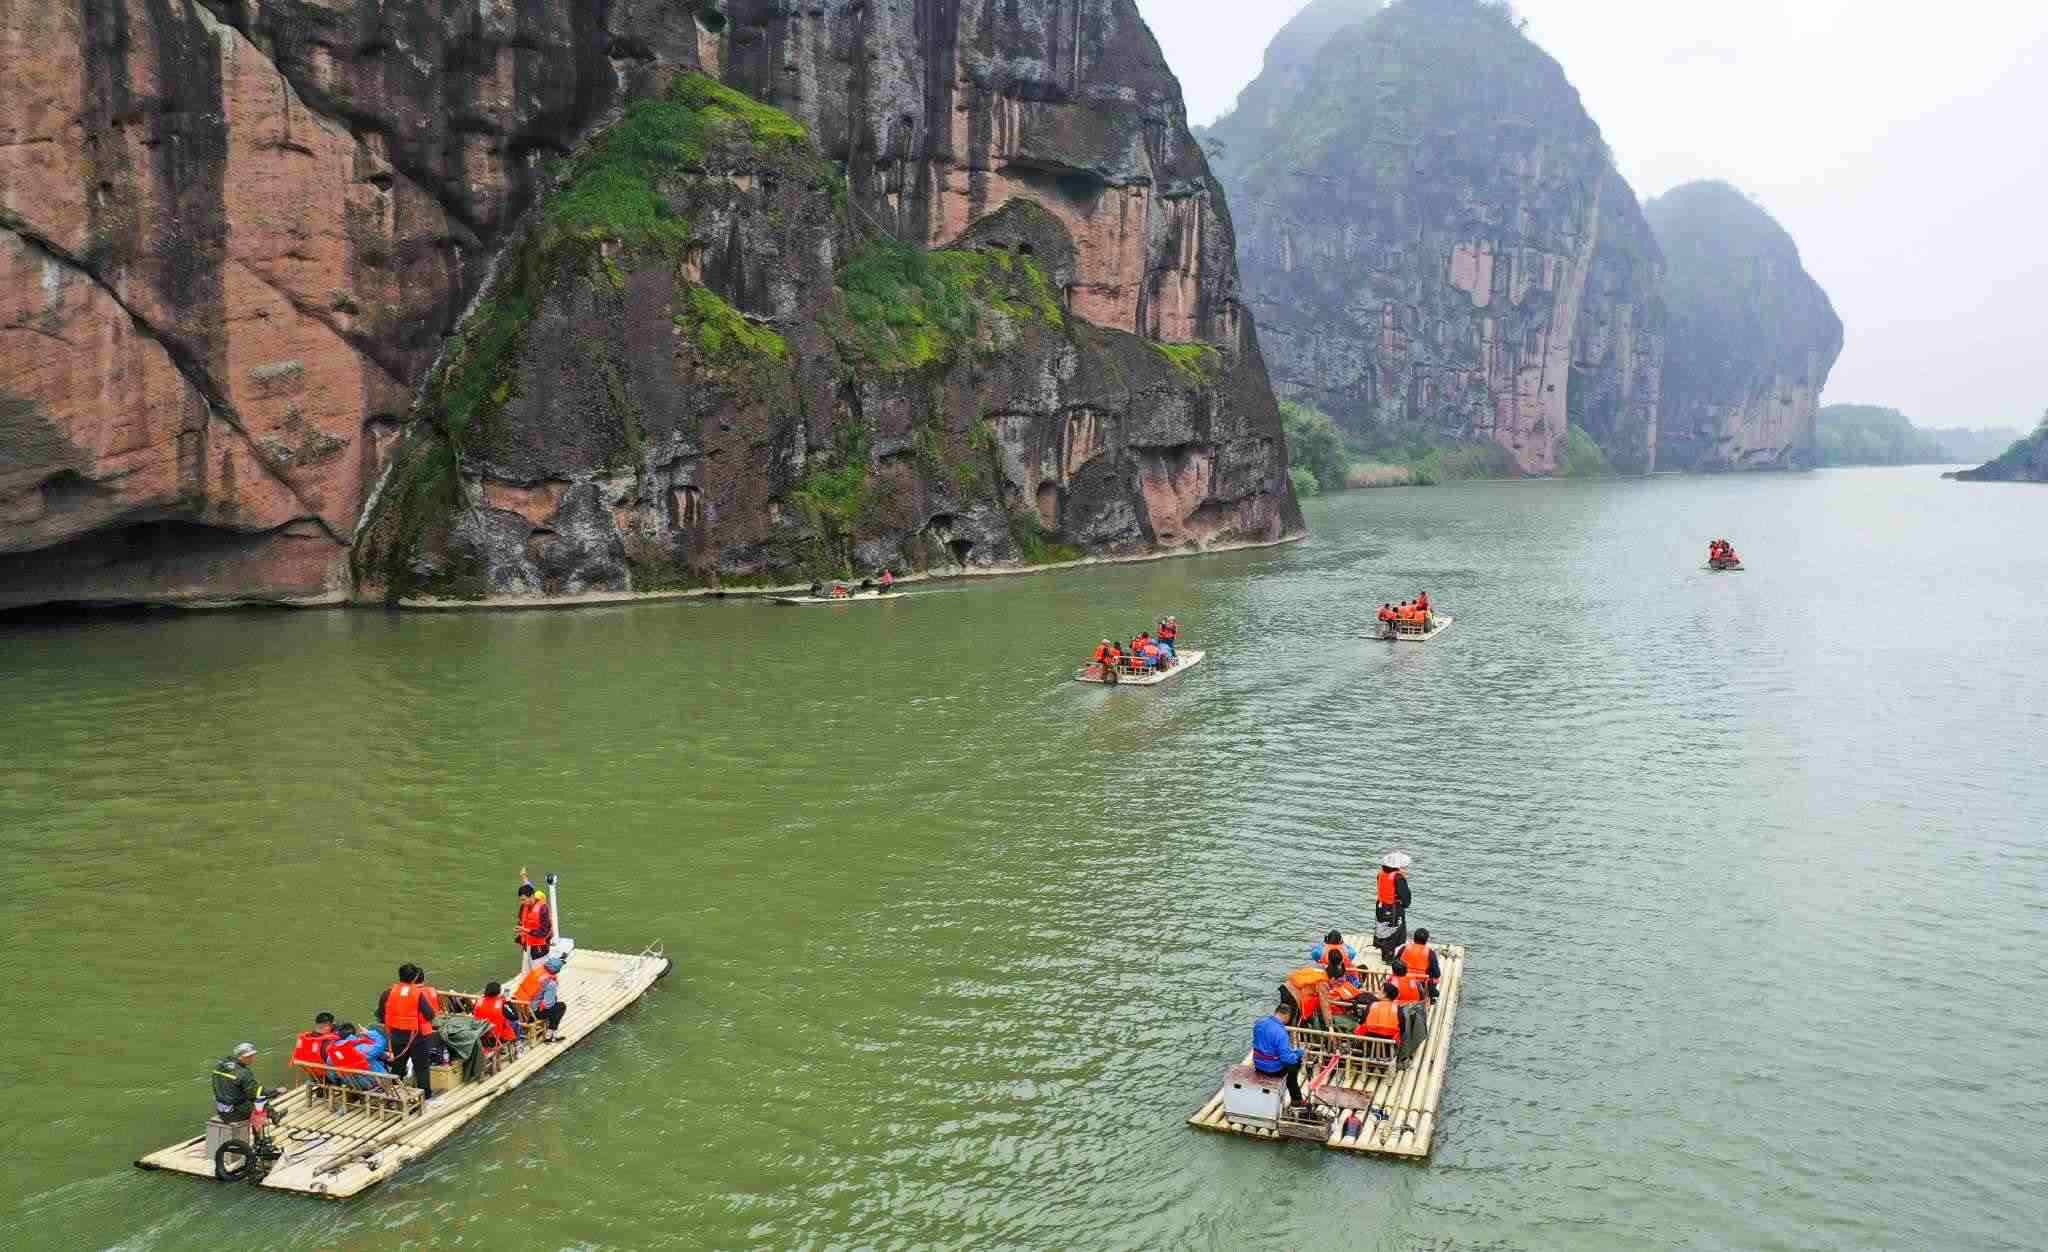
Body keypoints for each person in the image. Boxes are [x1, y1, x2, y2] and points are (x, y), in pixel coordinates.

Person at [377, 963, 443, 1097]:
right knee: (422, 1068)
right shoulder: (417, 994)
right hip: (416, 1037)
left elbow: (381, 1014)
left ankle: (394, 1094)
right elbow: (430, 1015)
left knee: (398, 1067)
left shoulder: (388, 993)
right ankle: (426, 1096)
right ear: (414, 978)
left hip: (396, 1036)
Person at [1252, 999, 1307, 1107]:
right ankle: (1296, 1100)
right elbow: (1286, 1058)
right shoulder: (1281, 1033)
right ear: (1287, 1016)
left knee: (1290, 1056)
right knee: (1295, 1064)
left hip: (1258, 1064)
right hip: (1273, 1070)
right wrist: (1298, 1054)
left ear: (1276, 1012)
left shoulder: (1259, 1023)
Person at [513, 953, 569, 1042]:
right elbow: (548, 1004)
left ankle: (550, 1032)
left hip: (519, 1007)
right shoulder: (551, 983)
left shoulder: (536, 972)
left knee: (553, 1002)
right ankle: (550, 1033)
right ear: (556, 971)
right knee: (560, 1007)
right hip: (532, 1012)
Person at [211, 1042, 272, 1122]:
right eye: (251, 1056)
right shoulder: (243, 1073)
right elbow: (256, 1092)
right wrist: (275, 1091)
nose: (253, 1058)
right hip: (234, 1114)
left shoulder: (220, 1066)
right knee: (261, 1101)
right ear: (243, 1057)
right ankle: (271, 1120)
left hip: (221, 1111)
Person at [327, 1022, 387, 1088]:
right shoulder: (361, 1048)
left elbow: (332, 1074)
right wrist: (368, 1033)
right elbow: (381, 1043)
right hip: (373, 1083)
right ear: (353, 1034)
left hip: (350, 1084)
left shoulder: (332, 1052)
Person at [516, 875, 552, 967]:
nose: (522, 902)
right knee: (527, 973)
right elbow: (521, 920)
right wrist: (520, 928)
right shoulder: (524, 906)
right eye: (521, 900)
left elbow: (543, 932)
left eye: (524, 899)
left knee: (539, 973)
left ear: (532, 896)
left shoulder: (543, 909)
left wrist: (525, 930)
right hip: (527, 946)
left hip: (539, 950)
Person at [474, 981, 519, 1050]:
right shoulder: (500, 1003)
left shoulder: (479, 1002)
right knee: (515, 1023)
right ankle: (517, 1045)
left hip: (482, 1035)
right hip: (498, 1037)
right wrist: (508, 1001)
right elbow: (515, 1016)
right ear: (498, 992)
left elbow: (475, 1014)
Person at [1397, 929, 1442, 996]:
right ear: (1426, 940)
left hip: (1402, 982)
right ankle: (1430, 996)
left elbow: (1395, 964)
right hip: (1420, 986)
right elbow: (1437, 974)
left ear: (1414, 938)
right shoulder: (1430, 953)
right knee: (1435, 979)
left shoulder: (1404, 948)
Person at [1375, 852, 1412, 925]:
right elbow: (1406, 898)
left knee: (1380, 926)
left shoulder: (1380, 874)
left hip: (1380, 907)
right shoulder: (1398, 877)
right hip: (1394, 910)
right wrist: (1405, 905)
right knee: (1396, 929)